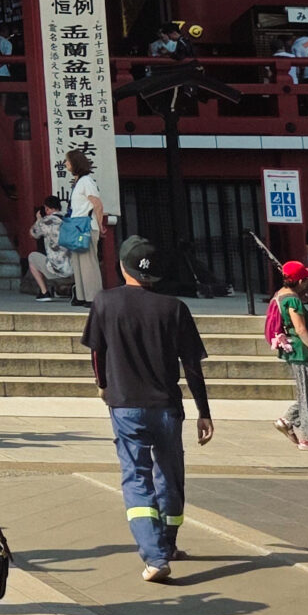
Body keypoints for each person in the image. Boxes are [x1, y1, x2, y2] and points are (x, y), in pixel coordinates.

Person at [84, 234, 213, 581]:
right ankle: (168, 543)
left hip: (124, 404)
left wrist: (102, 385)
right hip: (167, 406)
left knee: (136, 476)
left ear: (122, 266)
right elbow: (192, 364)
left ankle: (155, 556)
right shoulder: (174, 308)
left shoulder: (105, 302)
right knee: (170, 475)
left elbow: (98, 353)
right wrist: (204, 411)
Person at [273, 260, 308, 449]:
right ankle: (307, 438)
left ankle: (287, 420)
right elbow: (301, 329)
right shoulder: (293, 300)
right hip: (301, 352)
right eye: (307, 278)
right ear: (300, 280)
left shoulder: (280, 295)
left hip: (294, 350)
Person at [64, 148, 107, 303]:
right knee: (79, 262)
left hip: (86, 226)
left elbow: (97, 204)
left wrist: (100, 224)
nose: (66, 163)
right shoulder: (80, 182)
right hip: (79, 226)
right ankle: (82, 296)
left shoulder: (87, 181)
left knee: (88, 262)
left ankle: (93, 297)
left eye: (68, 160)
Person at [27, 198, 75, 302]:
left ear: (47, 209)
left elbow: (32, 234)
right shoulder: (69, 218)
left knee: (32, 257)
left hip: (57, 269)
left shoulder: (47, 221)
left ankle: (44, 292)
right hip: (74, 269)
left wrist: (38, 219)